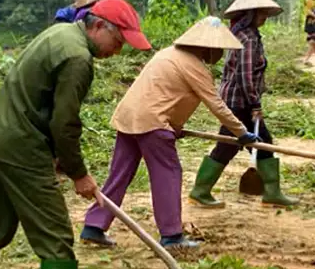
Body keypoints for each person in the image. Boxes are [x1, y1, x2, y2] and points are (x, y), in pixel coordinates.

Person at [0, 0, 151, 269]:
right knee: (56, 238)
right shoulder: (78, 58)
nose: (117, 52)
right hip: (21, 147)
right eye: (118, 41)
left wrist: (61, 159)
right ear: (97, 27)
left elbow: (44, 107)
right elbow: (65, 123)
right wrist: (79, 173)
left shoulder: (59, 34)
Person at [81, 17, 259, 250]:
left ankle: (94, 225)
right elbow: (216, 105)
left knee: (119, 175)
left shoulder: (167, 54)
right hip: (152, 124)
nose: (220, 54)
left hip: (129, 119)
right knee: (168, 174)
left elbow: (162, 93)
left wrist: (174, 127)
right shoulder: (194, 66)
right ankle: (172, 235)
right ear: (207, 47)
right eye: (218, 49)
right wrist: (242, 133)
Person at [189, 0, 299, 208]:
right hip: (240, 103)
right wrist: (254, 104)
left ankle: (203, 191)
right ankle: (269, 193)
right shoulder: (247, 38)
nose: (264, 18)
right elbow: (244, 75)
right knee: (258, 143)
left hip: (236, 102)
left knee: (239, 144)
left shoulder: (243, 35)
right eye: (261, 14)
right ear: (249, 15)